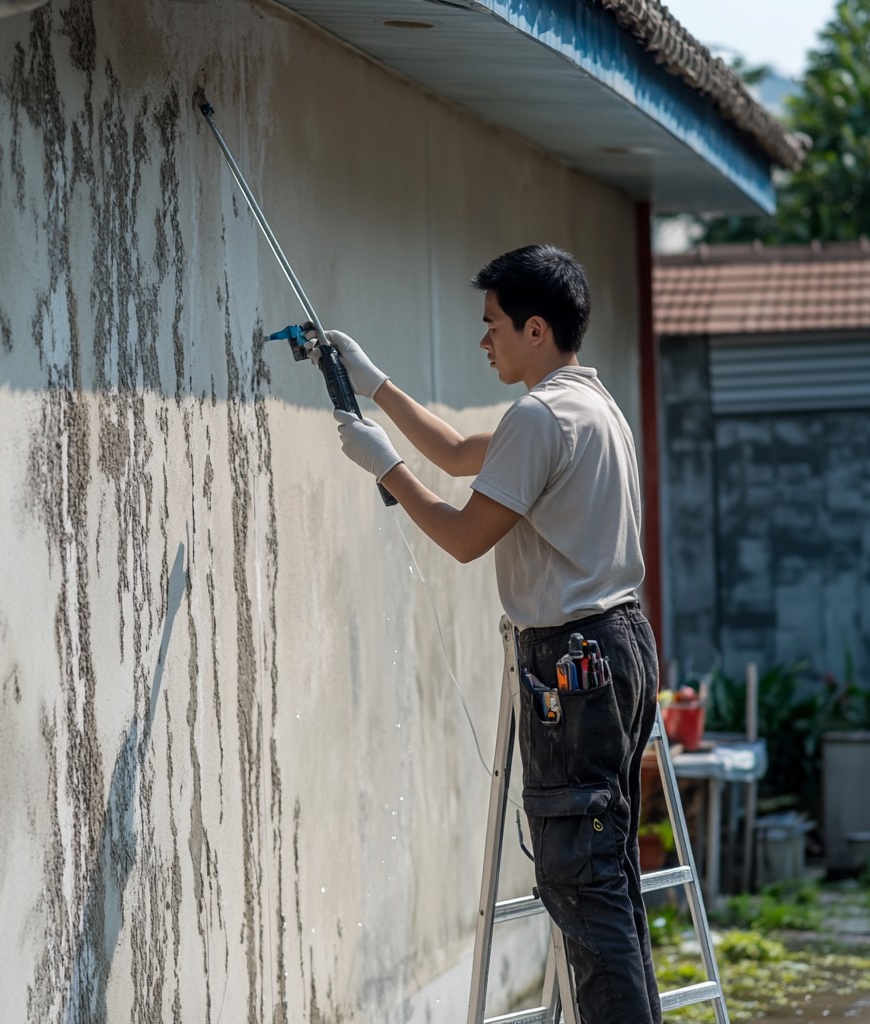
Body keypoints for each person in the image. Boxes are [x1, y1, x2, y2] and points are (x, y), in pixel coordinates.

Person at [315, 243, 662, 1024]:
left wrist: (386, 470)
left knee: (583, 882)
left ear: (535, 329)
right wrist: (376, 385)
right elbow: (459, 451)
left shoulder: (539, 417)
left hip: (575, 661)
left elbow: (467, 536)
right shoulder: (590, 403)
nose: (483, 341)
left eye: (493, 325)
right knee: (607, 877)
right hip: (621, 645)